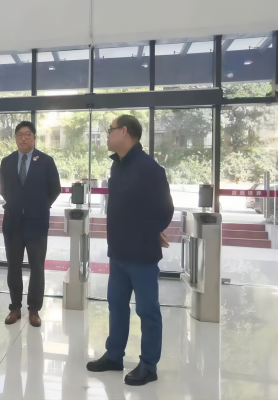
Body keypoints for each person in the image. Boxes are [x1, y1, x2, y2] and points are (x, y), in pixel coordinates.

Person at [86, 115, 174, 386]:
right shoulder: (118, 166)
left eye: (110, 130)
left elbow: (165, 209)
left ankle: (148, 365)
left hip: (142, 254)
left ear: (124, 131)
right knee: (116, 305)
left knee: (147, 310)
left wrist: (150, 232)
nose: (107, 134)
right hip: (118, 252)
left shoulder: (150, 169)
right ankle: (114, 356)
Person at [0, 121, 61, 327]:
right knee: (13, 267)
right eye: (19, 135)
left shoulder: (46, 161)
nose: (23, 138)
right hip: (13, 223)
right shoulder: (7, 161)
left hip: (37, 223)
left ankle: (34, 309)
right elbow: (3, 189)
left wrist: (40, 206)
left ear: (34, 137)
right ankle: (15, 308)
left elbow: (55, 189)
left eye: (27, 134)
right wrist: (17, 204)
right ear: (15, 138)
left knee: (37, 267)